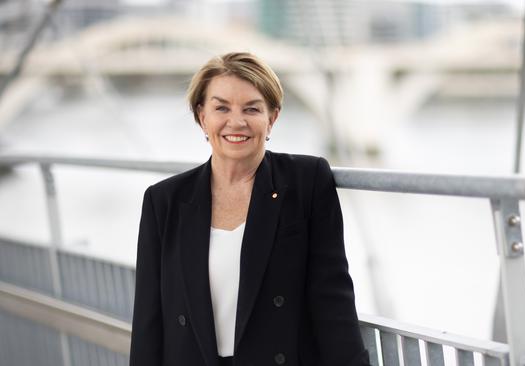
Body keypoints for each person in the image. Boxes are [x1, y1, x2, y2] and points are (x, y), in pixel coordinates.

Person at [129, 52, 370, 366]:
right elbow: (149, 321)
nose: (236, 121)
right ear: (202, 117)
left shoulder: (307, 182)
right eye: (221, 108)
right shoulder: (164, 201)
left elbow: (332, 302)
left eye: (252, 108)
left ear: (272, 118)